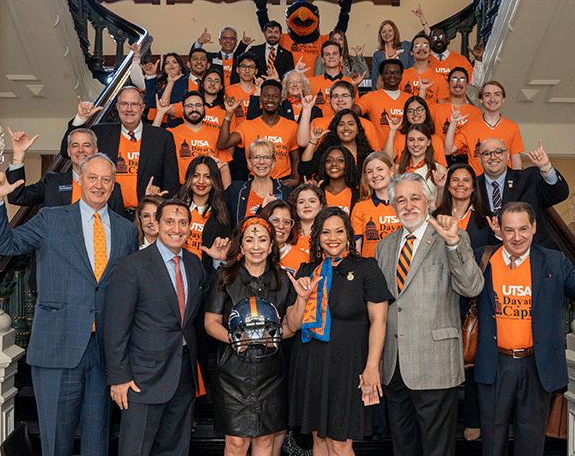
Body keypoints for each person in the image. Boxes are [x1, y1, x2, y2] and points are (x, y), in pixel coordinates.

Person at [0, 154, 138, 456]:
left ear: (114, 184)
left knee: (98, 442)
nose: (99, 185)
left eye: (106, 179)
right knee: (56, 442)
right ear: (79, 178)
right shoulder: (50, 218)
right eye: (93, 177)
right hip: (57, 347)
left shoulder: (126, 231)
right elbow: (5, 244)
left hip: (103, 352)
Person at [474, 202, 575, 456]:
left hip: (536, 366)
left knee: (531, 444)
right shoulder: (482, 258)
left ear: (534, 227)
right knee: (492, 444)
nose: (517, 237)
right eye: (509, 230)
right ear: (499, 230)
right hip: (494, 364)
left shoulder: (553, 260)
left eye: (523, 229)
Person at [375, 172, 484, 456]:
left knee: (438, 450)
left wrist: (453, 244)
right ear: (392, 205)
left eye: (415, 198)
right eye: (401, 199)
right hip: (394, 366)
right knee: (403, 447)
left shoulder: (452, 236)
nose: (408, 205)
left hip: (435, 364)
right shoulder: (383, 247)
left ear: (430, 201)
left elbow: (472, 286)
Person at [105, 198, 211, 456]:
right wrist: (119, 377)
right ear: (156, 224)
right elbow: (115, 327)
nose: (177, 228)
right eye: (169, 221)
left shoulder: (195, 264)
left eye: (183, 222)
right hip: (142, 381)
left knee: (175, 449)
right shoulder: (133, 267)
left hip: (183, 376)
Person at [203, 216, 317, 456]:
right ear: (241, 246)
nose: (256, 246)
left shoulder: (283, 279)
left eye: (262, 240)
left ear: (271, 245)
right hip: (232, 374)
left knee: (265, 442)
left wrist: (302, 299)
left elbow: (292, 327)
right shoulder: (225, 276)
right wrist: (235, 339)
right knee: (236, 444)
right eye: (250, 240)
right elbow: (210, 323)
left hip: (271, 373)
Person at [289, 207, 392, 454]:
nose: (332, 237)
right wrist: (302, 298)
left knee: (340, 442)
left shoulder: (367, 268)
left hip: (350, 366)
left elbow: (379, 321)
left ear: (348, 235)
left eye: (338, 231)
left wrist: (371, 367)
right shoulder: (306, 271)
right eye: (325, 232)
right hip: (311, 363)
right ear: (317, 237)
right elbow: (292, 325)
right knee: (319, 440)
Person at [432, 163, 498, 442]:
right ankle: (440, 422)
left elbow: (496, 253)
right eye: (455, 180)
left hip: (476, 294)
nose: (460, 184)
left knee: (473, 353)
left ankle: (472, 418)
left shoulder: (486, 218)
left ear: (474, 186)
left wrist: (496, 235)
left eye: (466, 180)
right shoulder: (435, 217)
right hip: (442, 293)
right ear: (447, 186)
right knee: (444, 354)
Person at [60, 86, 180, 219]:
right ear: (117, 107)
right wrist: (81, 119)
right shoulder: (101, 133)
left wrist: (162, 208)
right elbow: (66, 151)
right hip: (106, 214)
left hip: (146, 217)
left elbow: (172, 184)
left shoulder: (162, 138)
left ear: (142, 108)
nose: (129, 109)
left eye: (134, 104)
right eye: (124, 104)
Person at [6, 126, 125, 215]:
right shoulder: (52, 182)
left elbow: (120, 229)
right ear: (69, 152)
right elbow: (17, 197)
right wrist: (18, 155)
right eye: (75, 145)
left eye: (86, 145)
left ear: (95, 151)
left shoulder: (111, 188)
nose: (80, 150)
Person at [477, 137, 569, 250]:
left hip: (535, 254)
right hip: (491, 257)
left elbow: (560, 194)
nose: (493, 157)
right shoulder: (471, 186)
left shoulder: (529, 178)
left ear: (507, 155)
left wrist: (546, 167)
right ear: (480, 158)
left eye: (498, 152)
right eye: (486, 153)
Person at [218, 79, 300, 186]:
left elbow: (296, 158)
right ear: (260, 99)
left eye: (275, 96)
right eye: (266, 96)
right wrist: (229, 113)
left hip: (282, 182)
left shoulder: (292, 126)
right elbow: (222, 144)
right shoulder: (247, 125)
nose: (270, 99)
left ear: (280, 100)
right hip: (255, 182)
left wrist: (296, 180)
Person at [444, 80, 524, 175]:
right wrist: (453, 123)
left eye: (497, 94)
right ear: (481, 100)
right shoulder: (470, 126)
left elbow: (516, 162)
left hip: (504, 183)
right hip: (478, 184)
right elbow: (448, 150)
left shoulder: (512, 127)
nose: (492, 99)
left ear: (503, 99)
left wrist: (518, 184)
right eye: (487, 95)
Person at [156, 90, 232, 186]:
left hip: (209, 189)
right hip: (180, 189)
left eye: (198, 105)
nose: (194, 109)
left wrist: (227, 197)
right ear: (182, 110)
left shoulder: (218, 135)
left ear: (204, 108)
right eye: (189, 106)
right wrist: (160, 113)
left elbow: (224, 169)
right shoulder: (172, 133)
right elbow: (153, 141)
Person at [177, 155, 232, 274]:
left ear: (215, 180)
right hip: (175, 272)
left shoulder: (222, 215)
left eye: (207, 176)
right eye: (196, 176)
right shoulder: (176, 207)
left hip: (204, 278)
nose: (201, 181)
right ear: (189, 178)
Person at [297, 80, 380, 150]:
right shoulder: (318, 123)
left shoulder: (366, 124)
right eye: (335, 96)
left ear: (353, 99)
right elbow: (302, 143)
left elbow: (375, 155)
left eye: (345, 95)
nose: (340, 99)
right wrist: (306, 110)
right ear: (330, 100)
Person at [226, 139, 293, 223]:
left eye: (266, 157)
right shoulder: (236, 189)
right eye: (256, 157)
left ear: (273, 162)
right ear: (249, 162)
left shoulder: (286, 192)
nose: (261, 162)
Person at [351, 151, 401, 258]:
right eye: (369, 171)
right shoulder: (360, 207)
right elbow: (356, 249)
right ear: (366, 177)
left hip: (402, 267)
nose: (375, 175)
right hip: (371, 269)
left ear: (391, 171)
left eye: (380, 169)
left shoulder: (405, 205)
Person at [299, 109, 373, 179]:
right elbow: (304, 169)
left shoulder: (368, 154)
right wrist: (313, 141)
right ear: (335, 129)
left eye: (351, 124)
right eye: (341, 124)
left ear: (357, 130)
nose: (346, 128)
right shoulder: (327, 151)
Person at [430, 67, 482, 165]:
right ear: (448, 84)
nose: (458, 83)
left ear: (467, 85)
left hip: (469, 161)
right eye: (454, 79)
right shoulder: (436, 109)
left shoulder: (476, 112)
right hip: (442, 160)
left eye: (462, 80)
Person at [381, 96, 447, 168]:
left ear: (426, 111)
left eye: (420, 109)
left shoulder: (436, 140)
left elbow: (442, 169)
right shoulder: (399, 136)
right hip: (403, 177)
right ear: (405, 115)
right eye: (410, 111)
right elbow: (385, 161)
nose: (415, 114)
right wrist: (392, 131)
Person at [371, 8, 430, 86]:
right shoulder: (377, 55)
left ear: (395, 32)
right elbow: (375, 80)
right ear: (380, 35)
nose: (387, 33)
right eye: (384, 32)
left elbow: (426, 39)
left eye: (389, 30)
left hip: (407, 86)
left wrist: (422, 19)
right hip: (387, 89)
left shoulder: (406, 46)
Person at [308, 41, 365, 117]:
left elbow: (354, 111)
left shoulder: (350, 82)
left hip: (343, 126)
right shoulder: (311, 82)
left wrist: (354, 86)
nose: (331, 56)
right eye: (327, 54)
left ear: (340, 58)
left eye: (334, 53)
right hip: (319, 126)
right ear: (322, 59)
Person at [247, 69, 321, 123]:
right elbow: (252, 118)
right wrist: (257, 91)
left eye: (298, 81)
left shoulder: (315, 110)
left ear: (304, 85)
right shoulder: (278, 107)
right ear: (286, 86)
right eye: (291, 82)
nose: (295, 84)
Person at [257, 200, 309, 276]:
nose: (281, 226)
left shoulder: (302, 258)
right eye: (275, 220)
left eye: (286, 222)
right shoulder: (253, 253)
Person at [399, 33, 449, 104]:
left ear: (430, 51)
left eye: (425, 45)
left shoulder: (439, 78)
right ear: (411, 52)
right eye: (417, 45)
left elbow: (442, 108)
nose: (421, 48)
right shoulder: (402, 75)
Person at [315, 145, 360, 214]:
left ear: (348, 164)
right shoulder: (317, 193)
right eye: (329, 161)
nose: (334, 164)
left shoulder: (358, 195)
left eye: (340, 160)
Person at [288, 183, 326, 254]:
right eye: (301, 202)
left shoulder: (326, 235)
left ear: (321, 205)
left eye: (312, 201)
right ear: (295, 206)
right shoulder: (287, 232)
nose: (307, 205)